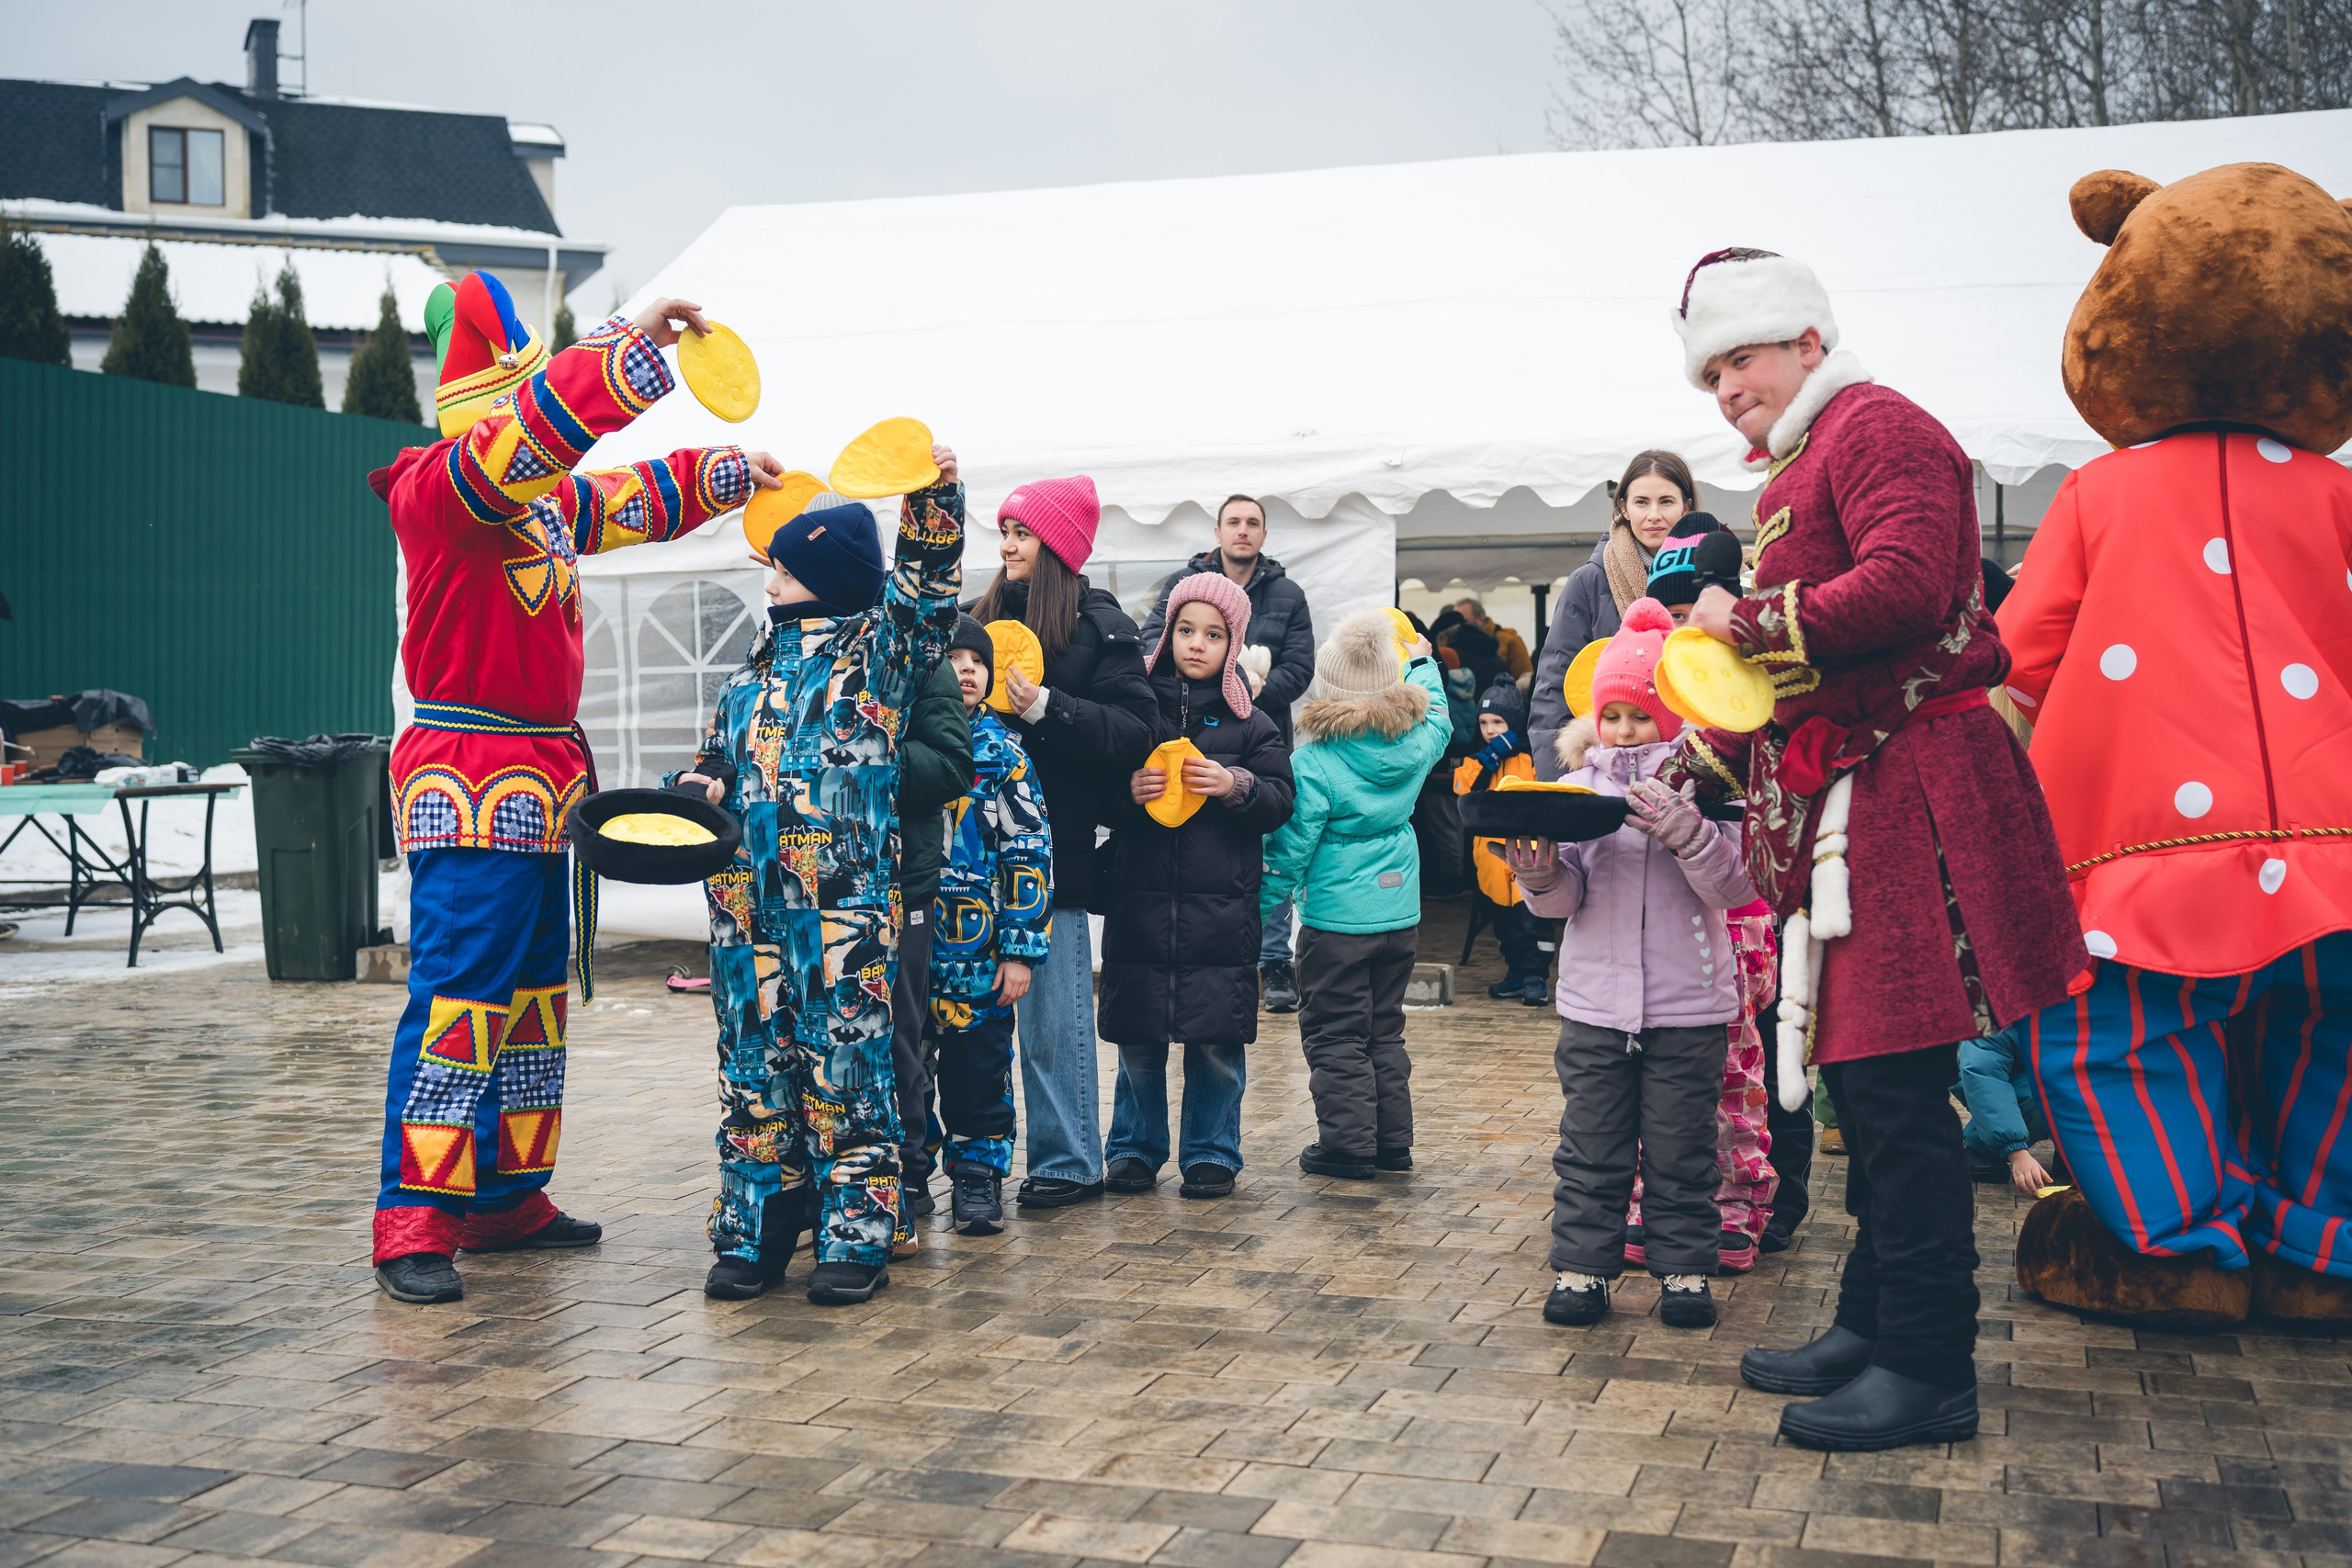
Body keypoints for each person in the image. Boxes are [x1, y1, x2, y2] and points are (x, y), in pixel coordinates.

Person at [1661, 246, 2082, 1450]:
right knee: (1868, 1080)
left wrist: (1736, 621)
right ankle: (1873, 1319)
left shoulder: (1879, 425)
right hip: (1866, 797)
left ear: (1802, 339)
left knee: (1895, 1087)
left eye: (1737, 358)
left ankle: (1932, 1362)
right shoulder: (1813, 450)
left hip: (1912, 795)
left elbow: (1905, 585)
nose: (1725, 385)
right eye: (1709, 372)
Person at [368, 275, 782, 1306]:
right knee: (460, 997)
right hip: (469, 782)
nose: (544, 451)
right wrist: (629, 345)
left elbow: (630, 498)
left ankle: (507, 1195)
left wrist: (732, 472)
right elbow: (539, 439)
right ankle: (415, 1214)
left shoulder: (535, 503)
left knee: (535, 1003)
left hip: (539, 780)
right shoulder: (444, 488)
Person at [676, 447, 967, 1306]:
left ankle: (857, 1228)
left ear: (822, 570)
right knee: (753, 1074)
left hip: (839, 914)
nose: (769, 576)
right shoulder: (744, 682)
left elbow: (927, 584)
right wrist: (693, 788)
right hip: (744, 919)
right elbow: (706, 767)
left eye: (784, 562)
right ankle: (758, 1224)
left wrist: (933, 493)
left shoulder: (881, 654)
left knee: (846, 1068)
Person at [1508, 599, 1756, 1331]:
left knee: (1683, 1148)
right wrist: (1542, 875)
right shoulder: (1578, 792)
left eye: (1639, 716)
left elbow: (1735, 888)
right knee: (1592, 1144)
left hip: (1690, 1006)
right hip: (1593, 1005)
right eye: (1611, 715)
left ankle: (1684, 1270)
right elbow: (1562, 904)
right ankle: (1584, 1269)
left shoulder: (1709, 790)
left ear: (1672, 715)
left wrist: (1687, 830)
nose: (1623, 731)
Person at [968, 476, 1159, 1209]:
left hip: (1057, 853)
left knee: (1053, 1022)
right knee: (977, 1025)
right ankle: (976, 1166)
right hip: (973, 854)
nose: (1008, 545)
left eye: (1021, 533)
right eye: (1005, 532)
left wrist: (1047, 706)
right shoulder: (979, 618)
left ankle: (1067, 1161)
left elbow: (1138, 731)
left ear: (1055, 547)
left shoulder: (1100, 623)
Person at [1101, 573, 1295, 1198]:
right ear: (1167, 633)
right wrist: (1127, 794)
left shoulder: (1254, 724)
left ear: (1233, 644)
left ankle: (1213, 1151)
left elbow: (1281, 799)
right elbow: (1100, 784)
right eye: (1186, 629)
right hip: (1141, 909)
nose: (1196, 643)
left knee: (1216, 1042)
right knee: (1139, 1041)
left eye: (1213, 634)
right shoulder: (1137, 712)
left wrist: (1235, 785)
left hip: (1222, 916)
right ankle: (1134, 1147)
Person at [1262, 609, 1452, 1180]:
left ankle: (1348, 1148)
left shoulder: (1314, 761)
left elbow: (1290, 849)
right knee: (1383, 1028)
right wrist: (1422, 661)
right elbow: (1437, 714)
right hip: (1399, 914)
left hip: (1337, 923)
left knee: (1335, 1034)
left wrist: (1260, 903)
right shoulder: (1417, 740)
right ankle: (1392, 1144)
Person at [1136, 495, 1316, 1015]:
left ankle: (1274, 960)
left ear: (1263, 534)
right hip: (1180, 724)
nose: (1243, 531)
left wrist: (1251, 689)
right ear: (1218, 531)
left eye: (1252, 523)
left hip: (1253, 728)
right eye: (1234, 522)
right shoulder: (1180, 585)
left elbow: (1301, 665)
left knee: (1263, 853)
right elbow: (1154, 637)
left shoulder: (1288, 594)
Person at [926, 616, 1053, 1236]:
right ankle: (904, 1172)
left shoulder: (1004, 754)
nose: (968, 668)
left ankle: (977, 1174)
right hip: (906, 947)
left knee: (978, 1067)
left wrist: (1021, 948)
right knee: (902, 1064)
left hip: (978, 954)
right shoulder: (901, 745)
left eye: (977, 659)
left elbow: (1029, 849)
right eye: (953, 658)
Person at [1624, 900, 1780, 1275]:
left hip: (1734, 909)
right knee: (1651, 1070)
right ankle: (1650, 1200)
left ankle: (1735, 1206)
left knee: (1733, 1071)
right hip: (1652, 899)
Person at [1529, 452, 1698, 779]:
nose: (1653, 515)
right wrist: (1559, 782)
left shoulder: (1717, 577)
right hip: (1606, 769)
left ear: (1687, 505)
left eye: (1666, 502)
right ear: (1623, 507)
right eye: (1641, 502)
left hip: (1695, 767)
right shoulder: (1589, 582)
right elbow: (1555, 687)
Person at [888, 654, 975, 1250]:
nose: (772, 584)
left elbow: (951, 766)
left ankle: (907, 1174)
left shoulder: (919, 659)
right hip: (808, 884)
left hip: (902, 883)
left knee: (902, 1031)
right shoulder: (790, 650)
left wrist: (871, 748)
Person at [1454, 676, 1550, 1006]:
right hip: (1491, 859)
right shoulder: (1476, 761)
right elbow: (1467, 795)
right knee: (1504, 924)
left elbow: (1541, 794)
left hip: (1528, 855)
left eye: (1498, 721)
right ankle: (1516, 973)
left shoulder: (1531, 758)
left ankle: (1536, 975)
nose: (1490, 729)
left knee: (1532, 921)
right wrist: (1485, 764)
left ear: (1515, 722)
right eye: (1484, 722)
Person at [1952, 1025, 2054, 1192]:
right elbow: (1983, 1077)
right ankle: (1982, 1147)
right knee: (2048, 1085)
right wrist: (2016, 1152)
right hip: (1999, 1087)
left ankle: (2071, 1152)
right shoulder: (1996, 1021)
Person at [1451, 593, 1532, 682]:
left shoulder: (1511, 640)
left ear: (1480, 619)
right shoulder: (1454, 643)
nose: (1458, 626)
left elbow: (1524, 680)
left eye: (1464, 621)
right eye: (1455, 622)